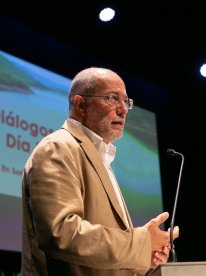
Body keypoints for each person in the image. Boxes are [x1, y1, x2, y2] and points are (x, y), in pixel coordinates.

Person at [21, 67, 180, 275]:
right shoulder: (58, 147)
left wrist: (144, 258)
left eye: (126, 101)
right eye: (112, 99)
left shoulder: (100, 157)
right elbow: (61, 234)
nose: (123, 109)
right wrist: (141, 242)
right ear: (80, 105)